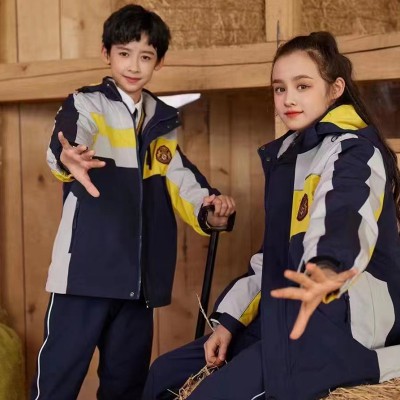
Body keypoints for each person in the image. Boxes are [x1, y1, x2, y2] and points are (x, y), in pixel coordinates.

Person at [142, 31, 400, 400]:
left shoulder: (354, 153)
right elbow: (273, 258)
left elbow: (343, 215)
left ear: (335, 89)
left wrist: (327, 268)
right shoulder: (290, 158)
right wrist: (228, 323)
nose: (288, 98)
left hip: (339, 323)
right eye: (280, 88)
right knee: (163, 373)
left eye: (302, 86)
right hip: (284, 315)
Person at [31, 4, 236, 400]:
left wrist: (209, 211)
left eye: (146, 56)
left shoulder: (161, 121)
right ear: (106, 53)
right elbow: (69, 139)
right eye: (124, 53)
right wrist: (70, 156)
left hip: (138, 284)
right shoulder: (86, 104)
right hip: (83, 275)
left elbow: (180, 178)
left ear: (159, 62)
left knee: (125, 387)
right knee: (56, 382)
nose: (134, 65)